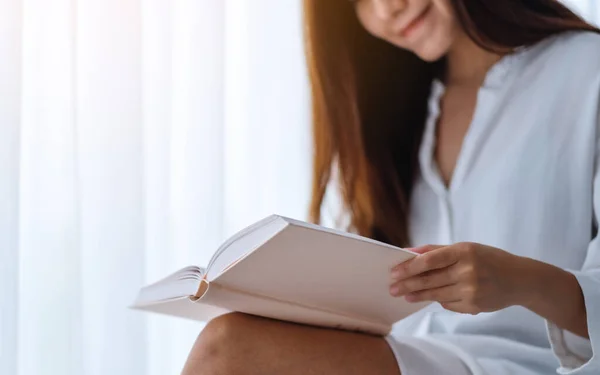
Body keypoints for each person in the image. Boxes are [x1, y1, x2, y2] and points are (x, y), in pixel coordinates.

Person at [182, 1, 600, 374]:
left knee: (229, 348)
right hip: (415, 354)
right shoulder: (401, 111)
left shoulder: (587, 70)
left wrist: (522, 281)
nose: (386, 9)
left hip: (534, 364)